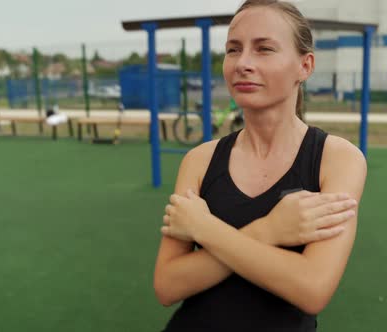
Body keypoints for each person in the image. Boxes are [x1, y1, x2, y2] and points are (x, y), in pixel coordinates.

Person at [154, 1, 367, 331]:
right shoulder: (200, 160)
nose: (243, 63)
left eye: (264, 49)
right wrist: (269, 230)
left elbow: (311, 289)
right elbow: (167, 285)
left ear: (305, 66)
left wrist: (204, 228)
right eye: (233, 49)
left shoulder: (337, 159)